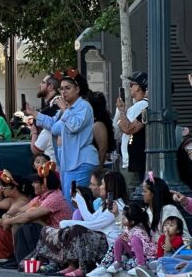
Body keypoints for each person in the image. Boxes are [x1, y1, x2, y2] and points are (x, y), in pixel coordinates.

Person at [25, 71, 97, 204]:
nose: (63, 92)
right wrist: (34, 113)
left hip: (80, 159)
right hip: (67, 160)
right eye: (62, 89)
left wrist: (65, 109)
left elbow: (75, 125)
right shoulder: (65, 109)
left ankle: (77, 224)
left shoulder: (84, 106)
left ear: (77, 89)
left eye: (68, 88)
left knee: (74, 199)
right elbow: (53, 126)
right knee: (67, 196)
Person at [1, 161, 72, 266]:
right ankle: (19, 258)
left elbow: (29, 216)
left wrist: (8, 220)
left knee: (29, 222)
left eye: (36, 182)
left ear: (45, 183)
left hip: (59, 237)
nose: (33, 184)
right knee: (20, 220)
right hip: (47, 233)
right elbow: (21, 210)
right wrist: (7, 215)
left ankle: (27, 259)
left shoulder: (55, 197)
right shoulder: (40, 197)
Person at [114, 72, 149, 189]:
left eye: (131, 84)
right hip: (131, 160)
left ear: (138, 87)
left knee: (131, 193)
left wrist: (121, 110)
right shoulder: (138, 105)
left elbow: (127, 129)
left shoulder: (143, 105)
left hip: (134, 161)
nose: (130, 87)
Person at [89, 92, 117, 168]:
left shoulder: (98, 124)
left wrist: (100, 167)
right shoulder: (98, 121)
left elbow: (103, 149)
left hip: (101, 164)